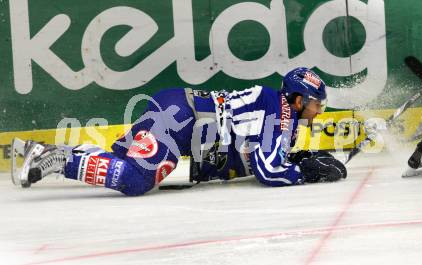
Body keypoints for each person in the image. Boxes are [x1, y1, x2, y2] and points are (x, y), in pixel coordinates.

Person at [15, 67, 347, 196]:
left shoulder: (279, 112)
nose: (320, 111)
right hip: (180, 118)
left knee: (122, 162)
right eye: (317, 104)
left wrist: (298, 158)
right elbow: (269, 171)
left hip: (178, 111)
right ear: (299, 99)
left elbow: (257, 157)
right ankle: (57, 158)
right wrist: (305, 172)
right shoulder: (282, 112)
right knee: (137, 179)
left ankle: (43, 151)